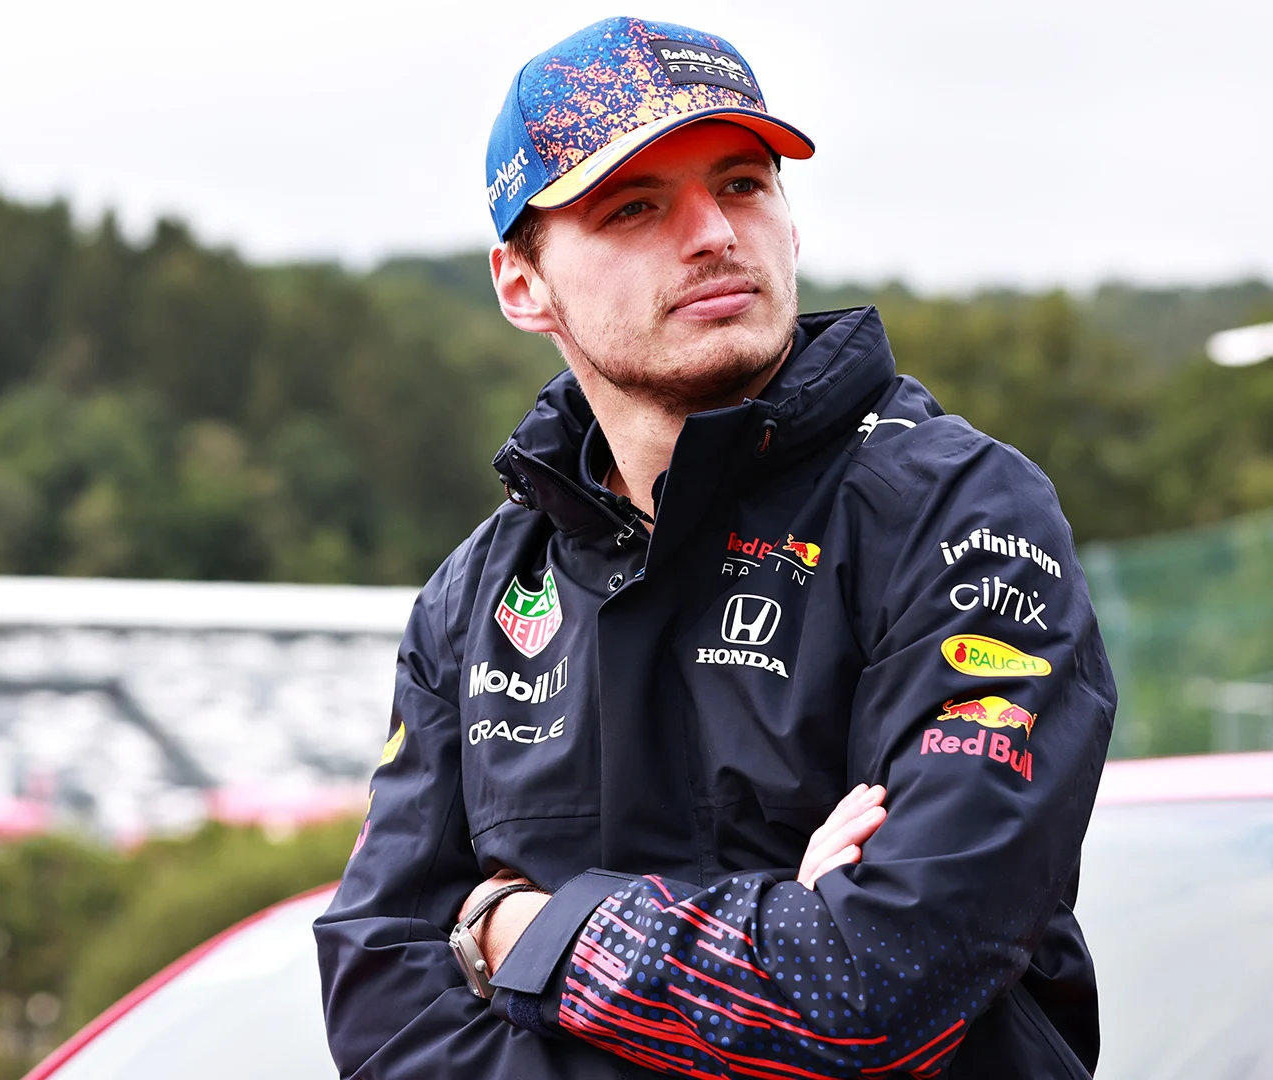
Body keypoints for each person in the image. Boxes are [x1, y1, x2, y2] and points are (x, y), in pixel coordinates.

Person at [313, 15, 1115, 1080]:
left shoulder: (961, 512)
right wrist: (778, 928)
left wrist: (518, 932)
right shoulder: (474, 600)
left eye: (742, 184)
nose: (714, 236)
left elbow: (881, 984)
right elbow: (381, 1004)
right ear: (521, 283)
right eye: (636, 206)